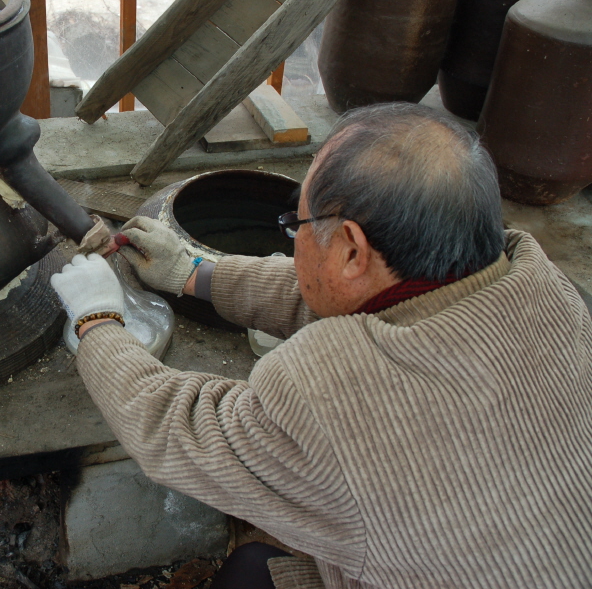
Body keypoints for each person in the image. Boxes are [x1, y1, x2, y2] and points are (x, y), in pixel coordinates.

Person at [50, 103, 592, 589]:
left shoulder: (333, 389)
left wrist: (97, 320)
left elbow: (176, 426)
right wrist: (194, 273)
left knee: (251, 572)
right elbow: (355, 295)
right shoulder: (547, 289)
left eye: (296, 226)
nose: (293, 240)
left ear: (353, 251)